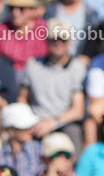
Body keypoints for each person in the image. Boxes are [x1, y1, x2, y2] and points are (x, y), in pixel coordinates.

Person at [19, 18, 86, 150]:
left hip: (63, 123)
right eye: (54, 38)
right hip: (36, 121)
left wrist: (53, 122)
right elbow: (22, 98)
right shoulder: (33, 65)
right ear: (47, 40)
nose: (58, 43)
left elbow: (77, 110)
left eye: (63, 39)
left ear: (70, 41)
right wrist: (30, 121)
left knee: (74, 132)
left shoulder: (77, 68)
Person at [0, 102, 43, 176]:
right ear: (10, 131)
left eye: (31, 126)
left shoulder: (41, 151)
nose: (31, 130)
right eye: (25, 127)